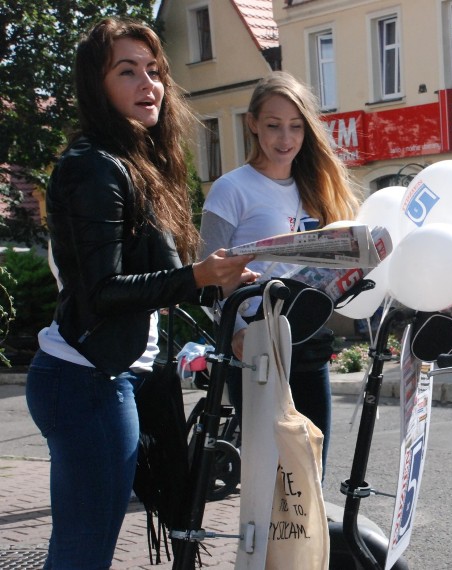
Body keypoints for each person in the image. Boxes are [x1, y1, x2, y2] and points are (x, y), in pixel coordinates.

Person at [24, 18, 258, 569]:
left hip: (105, 377)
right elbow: (104, 292)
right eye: (127, 72)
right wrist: (201, 277)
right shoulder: (95, 168)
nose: (148, 84)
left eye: (154, 71)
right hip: (87, 381)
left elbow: (171, 280)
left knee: (86, 547)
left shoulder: (137, 165)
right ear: (96, 86)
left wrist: (234, 281)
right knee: (84, 551)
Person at [200, 71, 360, 472]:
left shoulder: (319, 186)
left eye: (295, 127)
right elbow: (206, 277)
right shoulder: (231, 189)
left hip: (308, 338)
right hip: (254, 343)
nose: (285, 139)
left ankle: (307, 538)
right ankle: (265, 539)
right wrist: (233, 330)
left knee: (310, 466)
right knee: (267, 474)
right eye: (273, 126)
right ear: (252, 124)